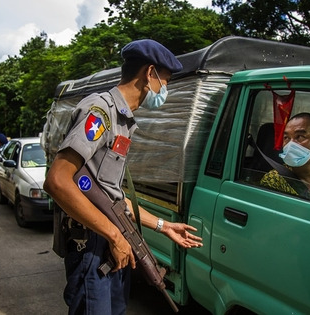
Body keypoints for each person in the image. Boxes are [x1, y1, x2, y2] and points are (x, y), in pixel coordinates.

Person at [44, 39, 203, 314]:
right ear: (149, 73)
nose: (165, 89)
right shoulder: (101, 111)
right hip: (92, 243)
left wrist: (164, 225)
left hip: (109, 239)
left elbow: (110, 199)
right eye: (165, 81)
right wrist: (115, 236)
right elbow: (57, 180)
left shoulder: (123, 121)